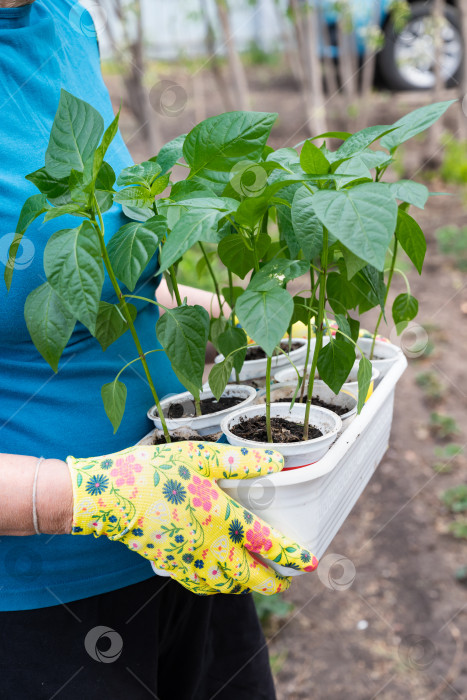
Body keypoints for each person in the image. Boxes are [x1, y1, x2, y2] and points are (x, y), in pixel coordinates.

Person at [0, 2, 317, 698]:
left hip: (182, 525)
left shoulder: (61, 22)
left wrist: (221, 321)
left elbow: (103, 265)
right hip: (35, 605)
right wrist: (85, 498)